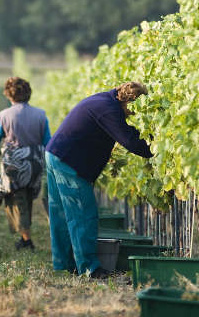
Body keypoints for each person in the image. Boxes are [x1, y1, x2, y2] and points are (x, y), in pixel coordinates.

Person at [44, 82, 152, 278]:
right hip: (69, 161)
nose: (133, 115)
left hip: (56, 154)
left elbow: (122, 132)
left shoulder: (105, 100)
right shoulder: (109, 110)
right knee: (83, 215)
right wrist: (155, 147)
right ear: (131, 102)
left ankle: (65, 264)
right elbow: (129, 140)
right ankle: (89, 268)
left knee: (61, 213)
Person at [0, 77, 51, 251]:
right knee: (27, 196)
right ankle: (24, 237)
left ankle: (27, 240)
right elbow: (48, 140)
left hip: (15, 163)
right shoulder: (40, 114)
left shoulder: (4, 115)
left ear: (9, 95)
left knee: (18, 197)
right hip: (36, 160)